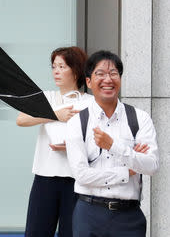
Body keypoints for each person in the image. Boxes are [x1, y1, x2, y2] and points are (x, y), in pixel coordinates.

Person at [66, 50, 159, 237]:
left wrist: (114, 146)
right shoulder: (77, 122)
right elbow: (82, 175)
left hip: (129, 217)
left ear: (120, 79)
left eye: (113, 73)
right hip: (88, 214)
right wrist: (128, 170)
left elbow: (152, 165)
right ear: (89, 82)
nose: (108, 79)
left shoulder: (140, 119)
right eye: (100, 74)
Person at [17, 47, 91, 237]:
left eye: (62, 66)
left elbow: (96, 140)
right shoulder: (47, 97)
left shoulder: (90, 102)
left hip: (77, 179)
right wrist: (55, 115)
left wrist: (74, 147)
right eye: (54, 67)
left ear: (76, 70)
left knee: (72, 232)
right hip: (45, 176)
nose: (56, 71)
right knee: (36, 232)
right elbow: (21, 120)